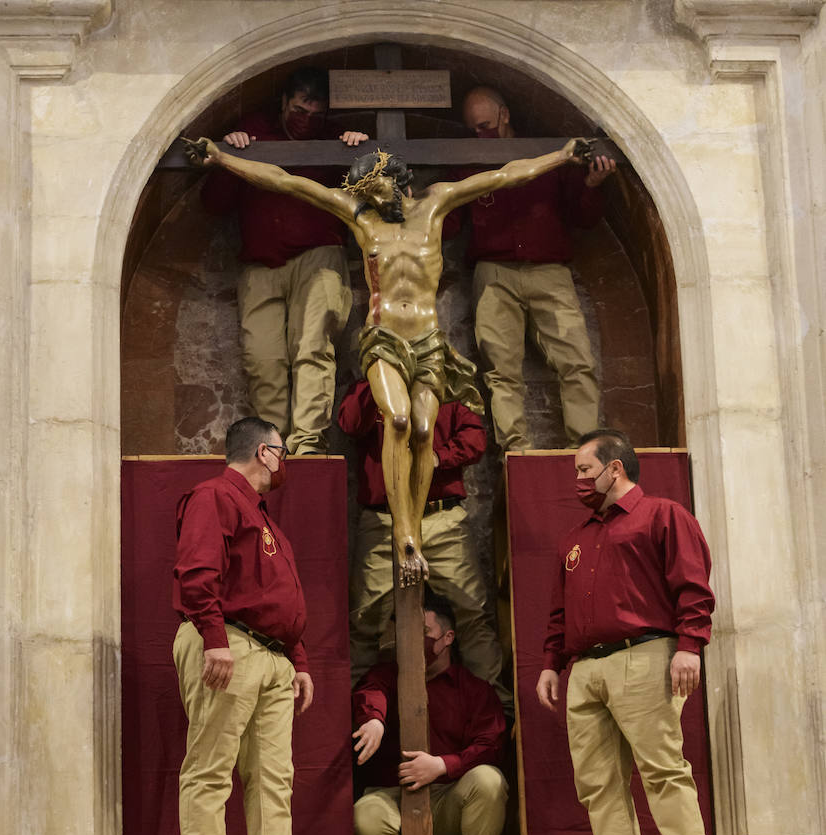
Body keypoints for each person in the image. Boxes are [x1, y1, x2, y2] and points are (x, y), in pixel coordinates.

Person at [186, 127, 594, 585]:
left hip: (428, 339)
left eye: (375, 191)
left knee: (423, 429)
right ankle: (403, 533)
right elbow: (285, 181)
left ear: (395, 180)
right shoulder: (360, 215)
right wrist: (222, 160)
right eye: (363, 196)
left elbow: (505, 176)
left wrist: (561, 154)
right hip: (383, 337)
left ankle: (413, 529)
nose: (369, 201)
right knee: (397, 420)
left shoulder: (436, 203)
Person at [535, 428, 714, 835]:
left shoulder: (664, 515)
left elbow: (693, 587)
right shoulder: (576, 538)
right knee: (597, 785)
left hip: (645, 654)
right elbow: (559, 611)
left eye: (585, 470)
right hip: (584, 669)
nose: (578, 480)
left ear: (614, 469)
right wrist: (551, 664)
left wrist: (690, 646)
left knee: (663, 771)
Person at [199, 67, 367, 454]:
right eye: (299, 110)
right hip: (261, 265)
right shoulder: (254, 132)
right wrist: (232, 156)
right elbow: (213, 203)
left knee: (313, 348)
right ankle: (274, 447)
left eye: (315, 113)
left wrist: (358, 149)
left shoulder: (336, 138)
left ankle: (307, 442)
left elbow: (368, 191)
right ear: (283, 103)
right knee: (263, 359)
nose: (306, 120)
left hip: (317, 256)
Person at [172, 416, 314, 835]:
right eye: (282, 452)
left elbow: (274, 600)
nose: (283, 462)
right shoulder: (214, 496)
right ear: (265, 453)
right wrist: (215, 640)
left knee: (275, 779)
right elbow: (197, 573)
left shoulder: (261, 517)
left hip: (273, 658)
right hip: (229, 642)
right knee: (211, 768)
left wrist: (300, 663)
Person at [461, 85, 616, 454]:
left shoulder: (549, 153)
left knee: (577, 360)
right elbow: (450, 221)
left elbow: (583, 217)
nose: (480, 135)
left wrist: (592, 186)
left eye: (485, 125)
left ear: (505, 115)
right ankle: (517, 454)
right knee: (501, 370)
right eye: (473, 129)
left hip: (549, 269)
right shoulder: (469, 158)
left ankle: (586, 450)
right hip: (493, 271)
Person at [338, 377, 507, 701]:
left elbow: (475, 437)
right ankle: (350, 721)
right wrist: (376, 374)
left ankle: (496, 712)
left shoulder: (445, 381)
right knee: (363, 622)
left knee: (472, 613)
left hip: (440, 516)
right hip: (382, 517)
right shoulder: (372, 381)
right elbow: (350, 422)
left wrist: (438, 457)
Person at [352, 594, 507, 835]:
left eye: (423, 630)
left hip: (450, 796)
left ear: (447, 638)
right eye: (406, 631)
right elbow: (371, 692)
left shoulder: (474, 689)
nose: (411, 638)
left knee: (489, 781)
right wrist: (374, 720)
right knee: (365, 817)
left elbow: (491, 745)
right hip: (393, 798)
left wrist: (442, 765)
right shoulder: (386, 675)